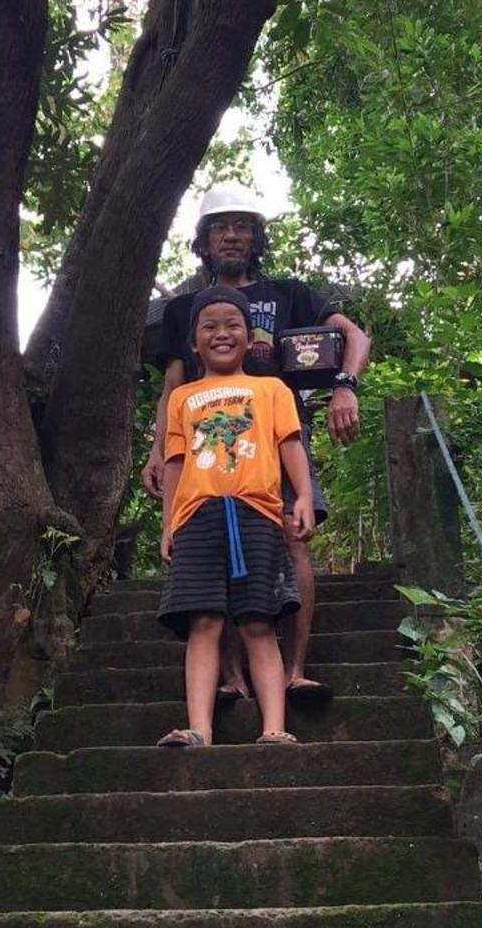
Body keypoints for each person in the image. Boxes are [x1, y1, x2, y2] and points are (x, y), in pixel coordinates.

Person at [143, 182, 370, 702]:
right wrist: (159, 451)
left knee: (293, 539)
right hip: (203, 449)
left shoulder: (290, 295)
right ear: (202, 240)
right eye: (220, 226)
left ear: (256, 237)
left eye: (242, 226)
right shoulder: (182, 310)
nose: (231, 236)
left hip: (279, 435)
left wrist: (345, 388)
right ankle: (230, 678)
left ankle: (293, 670)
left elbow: (354, 337)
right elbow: (173, 388)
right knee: (210, 549)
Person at [156, 286, 315, 747]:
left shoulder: (271, 389)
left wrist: (302, 496)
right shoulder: (183, 398)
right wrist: (168, 524)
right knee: (203, 622)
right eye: (209, 326)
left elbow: (290, 444)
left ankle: (274, 728)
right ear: (194, 341)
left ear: (250, 338)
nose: (221, 334)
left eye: (233, 325)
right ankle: (199, 729)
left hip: (256, 514)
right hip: (196, 517)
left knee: (258, 622)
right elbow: (175, 463)